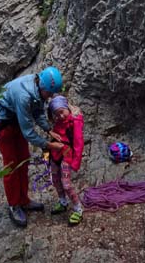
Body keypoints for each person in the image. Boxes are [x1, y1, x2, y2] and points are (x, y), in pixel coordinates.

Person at [0, 66, 65, 227]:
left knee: (23, 159)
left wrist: (48, 129)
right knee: (11, 165)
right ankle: (14, 205)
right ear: (43, 87)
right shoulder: (24, 96)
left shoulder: (37, 87)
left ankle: (23, 200)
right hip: (2, 122)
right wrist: (50, 145)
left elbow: (37, 111)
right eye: (50, 93)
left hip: (14, 118)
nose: (51, 96)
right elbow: (28, 133)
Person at [47, 94, 84, 225]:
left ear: (67, 108)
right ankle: (63, 201)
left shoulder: (75, 122)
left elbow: (78, 142)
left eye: (62, 112)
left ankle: (78, 208)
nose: (60, 116)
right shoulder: (57, 122)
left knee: (66, 183)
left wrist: (76, 162)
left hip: (67, 155)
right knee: (56, 180)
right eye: (57, 114)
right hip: (55, 155)